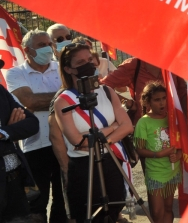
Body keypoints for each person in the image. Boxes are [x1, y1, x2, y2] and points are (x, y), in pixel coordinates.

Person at [53, 43, 133, 223]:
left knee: (113, 211)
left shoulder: (107, 91)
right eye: (80, 62)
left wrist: (104, 139)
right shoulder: (62, 101)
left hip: (112, 161)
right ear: (68, 68)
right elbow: (79, 142)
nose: (88, 64)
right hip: (84, 167)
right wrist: (113, 128)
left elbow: (127, 126)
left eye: (90, 60)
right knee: (89, 216)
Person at [5, 30, 67, 223]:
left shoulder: (61, 67)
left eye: (50, 43)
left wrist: (49, 100)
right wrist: (63, 97)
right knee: (36, 206)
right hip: (34, 146)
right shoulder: (16, 73)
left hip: (65, 143)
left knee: (64, 201)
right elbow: (29, 101)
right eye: (42, 45)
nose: (49, 48)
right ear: (27, 50)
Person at [134, 81, 182, 223]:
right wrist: (159, 154)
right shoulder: (144, 123)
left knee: (168, 208)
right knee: (156, 212)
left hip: (172, 171)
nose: (161, 103)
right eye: (156, 100)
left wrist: (178, 155)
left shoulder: (173, 118)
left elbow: (181, 144)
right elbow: (139, 150)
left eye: (163, 98)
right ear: (147, 102)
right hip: (155, 173)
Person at [0, 78, 39, 222]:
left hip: (15, 183)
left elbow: (32, 124)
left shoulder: (1, 92)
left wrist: (5, 132)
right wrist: (12, 134)